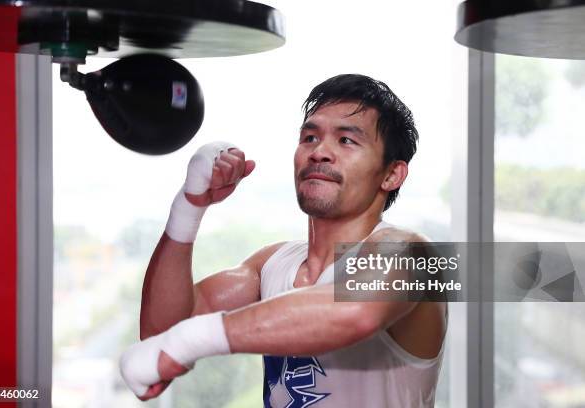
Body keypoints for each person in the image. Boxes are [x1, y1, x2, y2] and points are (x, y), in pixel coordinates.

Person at [119, 74, 448, 407]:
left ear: (392, 174)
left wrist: (190, 340)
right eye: (309, 137)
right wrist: (188, 206)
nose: (320, 151)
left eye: (347, 140)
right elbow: (161, 330)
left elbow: (355, 311)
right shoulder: (272, 263)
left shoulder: (410, 252)